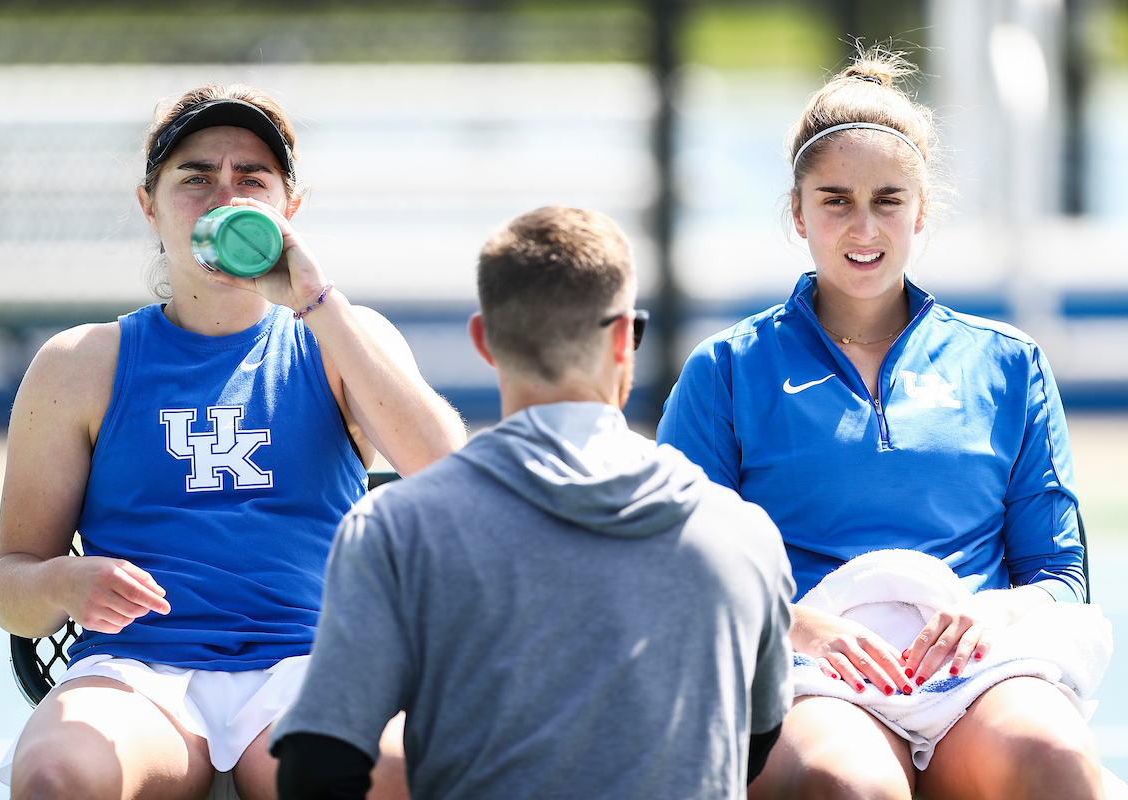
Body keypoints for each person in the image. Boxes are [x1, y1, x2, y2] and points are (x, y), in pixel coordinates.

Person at [0, 83, 467, 800]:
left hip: (310, 665)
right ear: (148, 205)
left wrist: (314, 299)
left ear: (289, 209)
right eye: (195, 177)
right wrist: (63, 583)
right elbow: (10, 586)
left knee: (386, 775)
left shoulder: (341, 337)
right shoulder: (80, 363)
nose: (224, 196)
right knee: (57, 777)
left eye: (252, 179)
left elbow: (447, 473)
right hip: (137, 674)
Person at [657, 49, 1111, 800]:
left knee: (1054, 760)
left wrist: (994, 609)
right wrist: (796, 625)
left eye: (888, 199)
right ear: (797, 211)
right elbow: (678, 563)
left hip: (974, 673)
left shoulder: (1008, 364)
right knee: (849, 785)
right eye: (834, 199)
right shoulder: (727, 369)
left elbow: (1059, 575)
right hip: (809, 673)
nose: (862, 226)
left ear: (923, 208)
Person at [269, 206, 796, 800]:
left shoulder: (398, 527)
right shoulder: (743, 533)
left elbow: (317, 765)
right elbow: (753, 741)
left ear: (484, 340)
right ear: (625, 338)